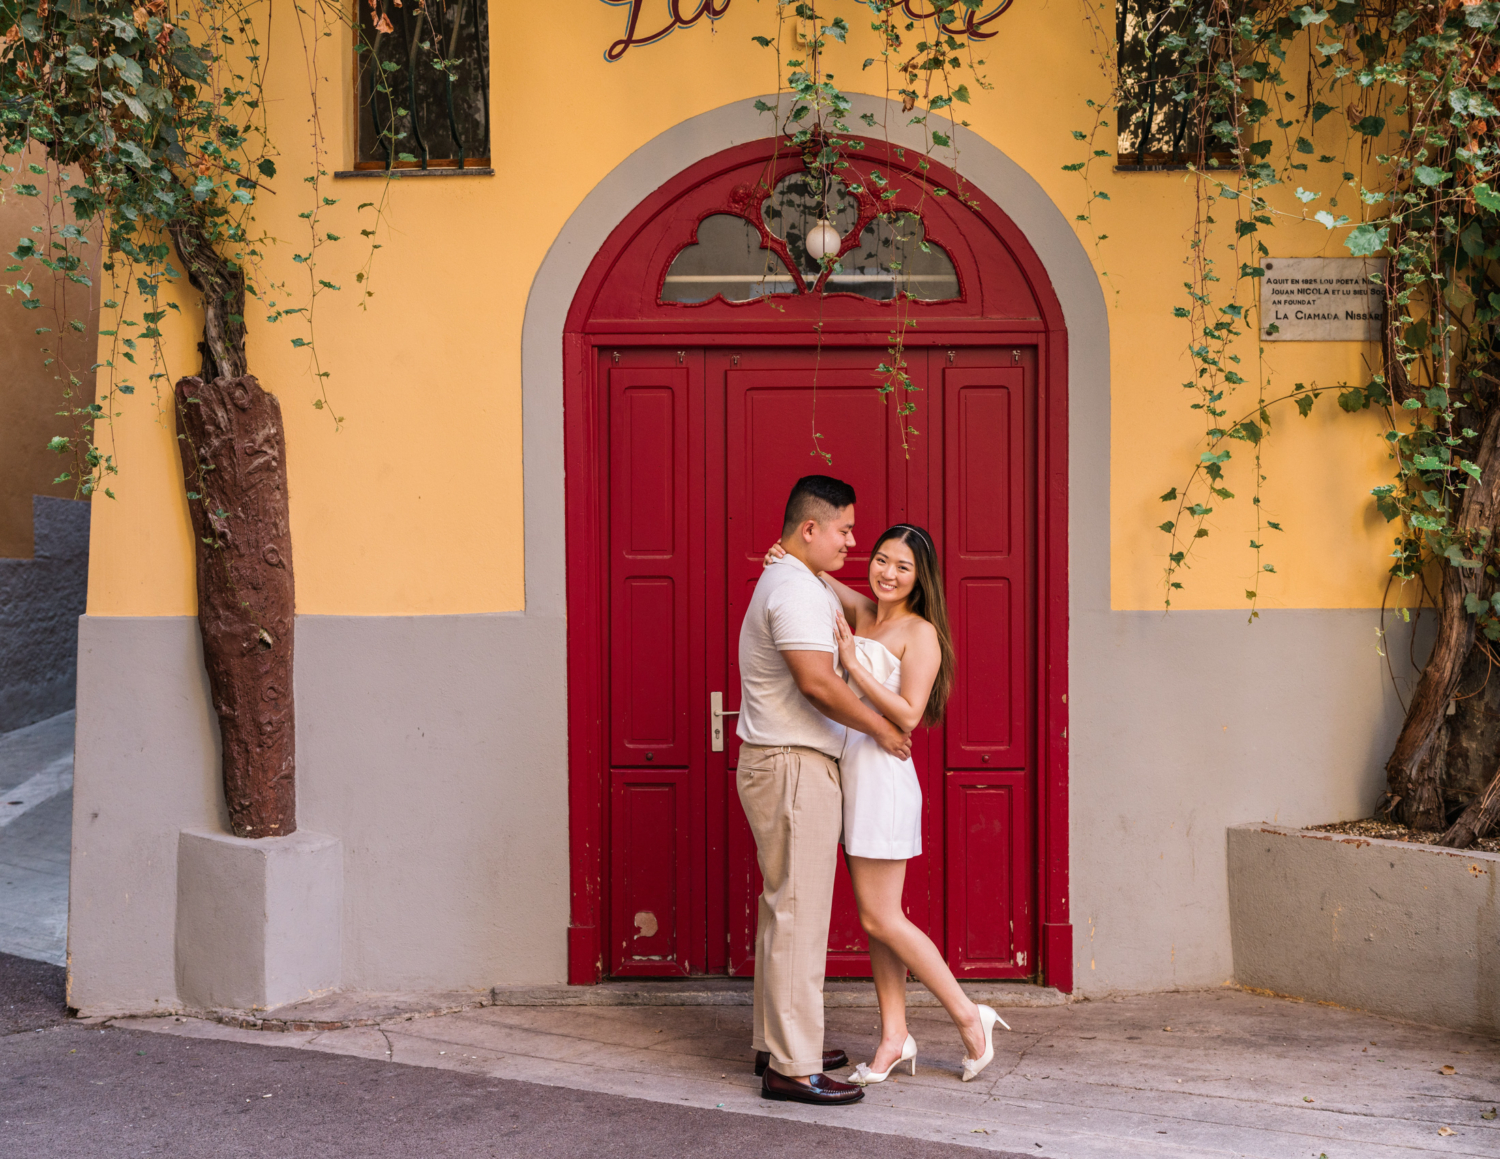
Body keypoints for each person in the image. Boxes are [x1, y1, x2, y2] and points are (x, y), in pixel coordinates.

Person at [764, 523, 1010, 1084]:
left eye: (902, 566)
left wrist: (850, 667)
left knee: (882, 916)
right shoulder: (865, 612)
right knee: (877, 922)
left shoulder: (918, 632)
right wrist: (788, 553)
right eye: (880, 560)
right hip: (853, 775)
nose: (887, 573)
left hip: (884, 779)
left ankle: (971, 1017)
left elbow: (908, 715)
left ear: (921, 578)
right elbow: (819, 575)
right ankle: (895, 1036)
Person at [736, 475, 913, 1107]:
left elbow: (853, 628)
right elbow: (816, 681)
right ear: (809, 529)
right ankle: (792, 1066)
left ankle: (778, 1043)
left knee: (784, 911)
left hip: (788, 764)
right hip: (792, 766)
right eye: (843, 529)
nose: (853, 541)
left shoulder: (796, 580)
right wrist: (883, 728)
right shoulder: (793, 588)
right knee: (798, 917)